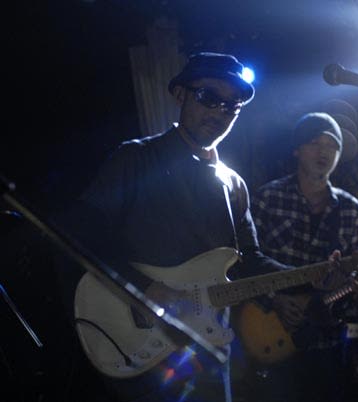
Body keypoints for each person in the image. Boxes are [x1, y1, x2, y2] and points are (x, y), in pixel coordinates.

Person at [55, 52, 340, 402]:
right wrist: (145, 289)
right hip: (138, 343)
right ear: (180, 95)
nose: (220, 111)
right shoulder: (136, 158)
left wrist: (314, 277)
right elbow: (81, 234)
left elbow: (249, 261)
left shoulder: (233, 184)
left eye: (232, 106)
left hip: (207, 353)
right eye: (209, 97)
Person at [244, 112, 358, 402]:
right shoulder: (267, 198)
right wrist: (274, 299)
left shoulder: (351, 209)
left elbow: (354, 279)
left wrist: (356, 286)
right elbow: (244, 263)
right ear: (297, 149)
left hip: (325, 343)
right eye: (315, 143)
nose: (324, 151)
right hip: (267, 333)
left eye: (332, 145)